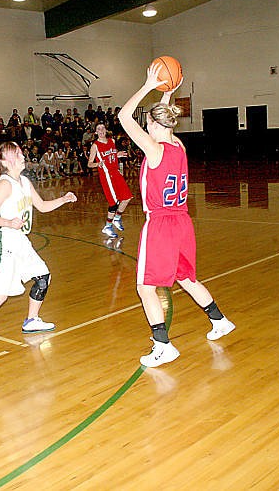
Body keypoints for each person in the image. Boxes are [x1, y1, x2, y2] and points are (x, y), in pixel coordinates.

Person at [118, 63, 235, 368]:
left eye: (149, 124)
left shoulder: (153, 149)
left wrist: (147, 86)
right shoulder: (178, 145)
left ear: (154, 126)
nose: (146, 128)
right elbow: (162, 121)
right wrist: (167, 94)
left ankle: (162, 346)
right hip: (182, 222)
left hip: (161, 224)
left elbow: (122, 117)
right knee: (185, 276)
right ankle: (219, 320)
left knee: (145, 287)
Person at [0, 141, 77, 368]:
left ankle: (32, 320)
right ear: (6, 160)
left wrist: (63, 199)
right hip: (2, 241)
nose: (23, 156)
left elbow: (41, 206)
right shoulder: (4, 185)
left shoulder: (24, 182)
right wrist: (9, 222)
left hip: (19, 240)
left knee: (43, 277)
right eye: (19, 154)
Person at [87, 123, 133, 239]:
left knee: (127, 198)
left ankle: (116, 218)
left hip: (116, 173)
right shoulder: (95, 146)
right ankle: (107, 227)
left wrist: (117, 154)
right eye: (98, 129)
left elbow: (111, 155)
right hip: (107, 176)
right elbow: (89, 164)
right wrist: (98, 164)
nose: (101, 130)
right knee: (114, 203)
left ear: (106, 130)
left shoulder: (111, 141)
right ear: (96, 132)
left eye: (103, 128)